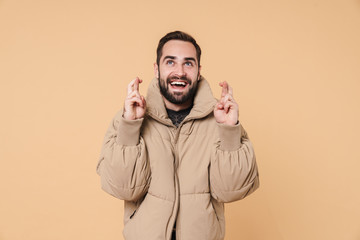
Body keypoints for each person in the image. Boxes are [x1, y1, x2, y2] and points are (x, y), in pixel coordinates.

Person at [97, 31, 259, 240]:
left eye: (188, 64)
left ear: (199, 71)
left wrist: (229, 130)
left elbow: (232, 191)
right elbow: (123, 188)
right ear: (157, 69)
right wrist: (130, 126)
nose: (180, 72)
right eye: (171, 62)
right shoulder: (129, 118)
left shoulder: (221, 120)